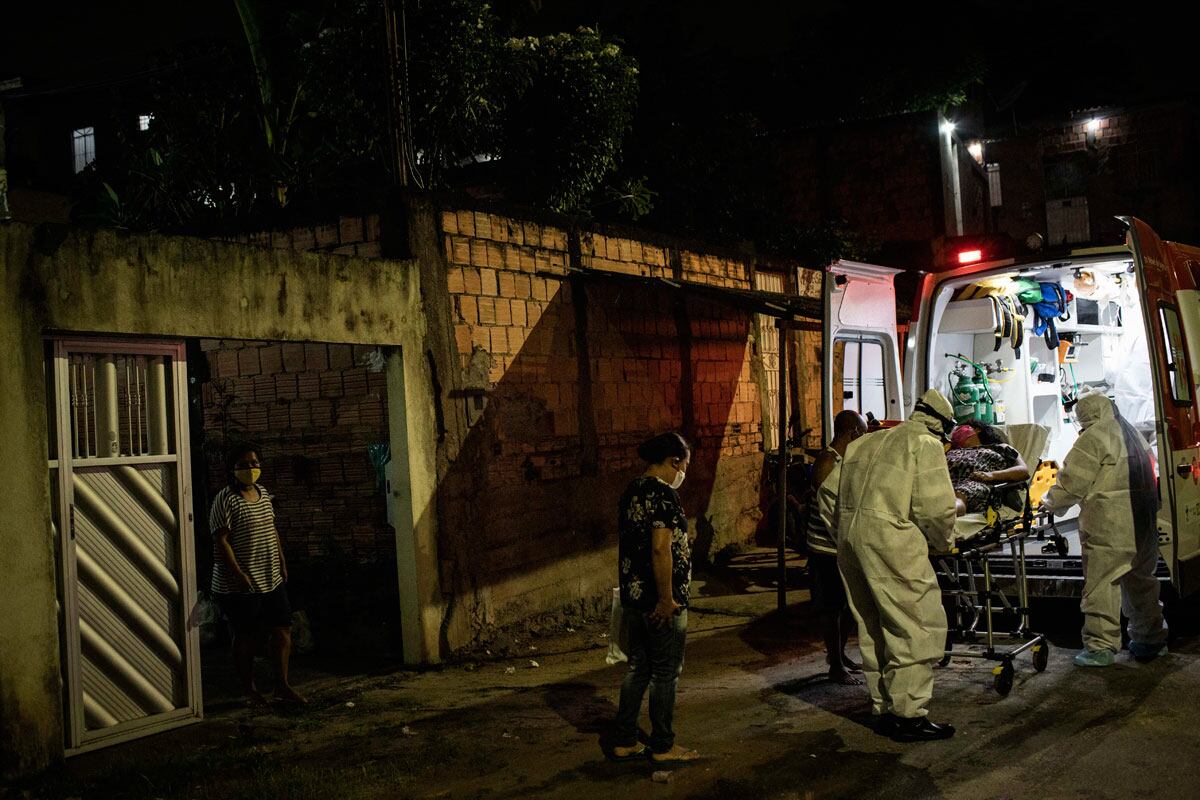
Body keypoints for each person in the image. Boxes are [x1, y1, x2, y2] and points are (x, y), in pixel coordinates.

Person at [834, 389, 958, 741]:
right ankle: (908, 715)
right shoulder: (925, 443)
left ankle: (884, 706)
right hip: (891, 542)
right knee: (914, 625)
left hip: (850, 540)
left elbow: (833, 493)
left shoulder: (867, 442)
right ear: (942, 426)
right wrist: (944, 542)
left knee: (873, 623)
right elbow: (936, 509)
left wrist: (845, 535)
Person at [1042, 391, 1167, 667]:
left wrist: (1048, 504)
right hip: (1143, 526)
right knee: (1142, 584)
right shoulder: (1132, 432)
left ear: (1087, 415)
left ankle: (1101, 647)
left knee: (1101, 586)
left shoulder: (1094, 437)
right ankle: (1151, 638)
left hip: (1111, 527)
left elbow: (1073, 482)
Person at [611, 432, 698, 764]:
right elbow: (661, 548)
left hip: (634, 595)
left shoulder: (631, 490)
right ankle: (663, 745)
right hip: (662, 599)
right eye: (684, 466)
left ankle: (625, 740)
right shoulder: (664, 496)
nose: (683, 473)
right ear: (674, 462)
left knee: (638, 667)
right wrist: (666, 599)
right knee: (666, 672)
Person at [209, 444, 305, 705]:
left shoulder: (262, 494)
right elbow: (222, 540)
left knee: (282, 631)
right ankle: (249, 690)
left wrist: (282, 562)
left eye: (254, 463)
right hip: (238, 584)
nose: (250, 469)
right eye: (243, 465)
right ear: (232, 469)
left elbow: (271, 530)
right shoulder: (225, 499)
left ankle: (282, 685)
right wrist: (238, 573)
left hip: (270, 577)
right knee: (245, 637)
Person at [809, 410, 868, 685]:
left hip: (841, 544)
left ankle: (841, 656)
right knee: (832, 608)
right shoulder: (827, 461)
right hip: (825, 547)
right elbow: (829, 506)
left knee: (847, 606)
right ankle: (835, 664)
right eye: (862, 434)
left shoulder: (847, 460)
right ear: (852, 432)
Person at [947, 422, 1030, 515]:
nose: (957, 432)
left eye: (962, 428)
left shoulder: (1000, 448)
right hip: (948, 482)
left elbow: (1023, 471)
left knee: (961, 493)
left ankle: (947, 513)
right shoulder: (951, 450)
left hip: (976, 482)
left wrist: (991, 475)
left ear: (978, 429)